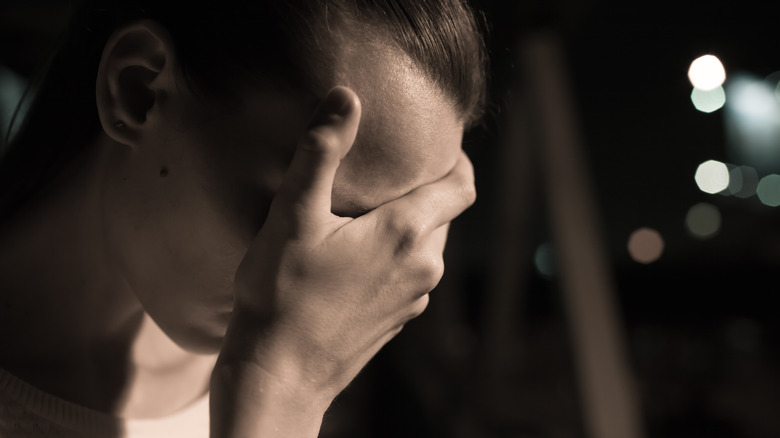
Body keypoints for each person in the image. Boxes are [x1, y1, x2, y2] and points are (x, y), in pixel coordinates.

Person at [0, 0, 487, 436]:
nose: (316, 296)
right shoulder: (296, 372)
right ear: (139, 90)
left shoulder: (339, 383)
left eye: (369, 241)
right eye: (293, 209)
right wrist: (280, 396)